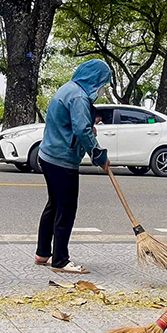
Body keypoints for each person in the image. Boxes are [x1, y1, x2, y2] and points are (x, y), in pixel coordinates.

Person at [35, 59, 111, 274]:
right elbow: (81, 130)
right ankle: (60, 260)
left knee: (54, 205)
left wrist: (87, 129)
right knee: (66, 209)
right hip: (62, 159)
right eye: (103, 83)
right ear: (95, 78)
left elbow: (74, 125)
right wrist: (98, 155)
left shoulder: (69, 89)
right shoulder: (79, 96)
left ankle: (42, 253)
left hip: (48, 154)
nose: (102, 88)